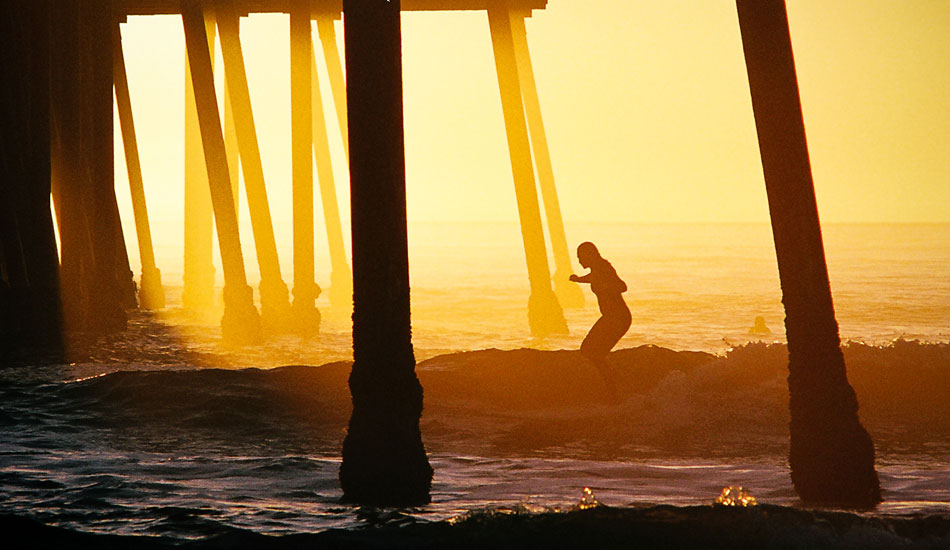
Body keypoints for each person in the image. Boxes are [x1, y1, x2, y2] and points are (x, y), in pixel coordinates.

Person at [570, 242, 631, 401]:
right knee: (590, 351)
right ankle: (615, 387)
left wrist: (606, 287)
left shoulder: (604, 268)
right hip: (611, 317)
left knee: (591, 351)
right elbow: (593, 278)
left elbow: (622, 286)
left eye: (580, 257)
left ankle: (615, 389)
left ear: (589, 255)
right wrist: (578, 279)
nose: (579, 261)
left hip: (618, 317)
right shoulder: (597, 269)